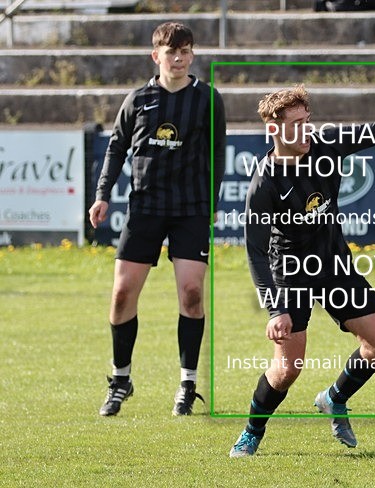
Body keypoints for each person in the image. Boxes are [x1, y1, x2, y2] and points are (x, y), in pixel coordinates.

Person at [228, 85, 375, 457]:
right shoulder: (265, 182)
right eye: (296, 124)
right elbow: (256, 252)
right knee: (287, 369)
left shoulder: (324, 145)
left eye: (307, 121)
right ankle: (251, 431)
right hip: (290, 275)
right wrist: (276, 309)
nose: (306, 130)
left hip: (334, 264)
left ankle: (334, 397)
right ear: (274, 130)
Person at [89, 21, 226, 417]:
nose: (178, 58)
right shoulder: (137, 100)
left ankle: (187, 383)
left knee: (192, 294)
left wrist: (210, 205)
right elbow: (116, 151)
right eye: (171, 52)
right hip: (145, 208)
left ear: (193, 55)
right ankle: (120, 379)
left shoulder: (208, 99)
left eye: (185, 51)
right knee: (121, 296)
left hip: (190, 211)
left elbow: (217, 155)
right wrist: (102, 196)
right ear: (157, 56)